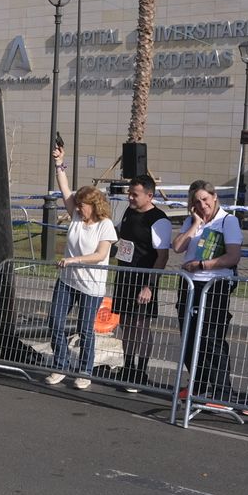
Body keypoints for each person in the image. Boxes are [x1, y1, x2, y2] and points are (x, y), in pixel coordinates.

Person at [43, 146, 117, 389]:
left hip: (91, 286)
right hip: (68, 281)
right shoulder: (75, 217)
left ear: (93, 205)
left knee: (85, 329)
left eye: (83, 204)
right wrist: (60, 163)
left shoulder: (105, 225)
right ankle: (61, 364)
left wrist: (74, 260)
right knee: (55, 320)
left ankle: (84, 370)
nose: (78, 207)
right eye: (77, 204)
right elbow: (64, 188)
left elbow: (100, 255)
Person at [172, 179, 242, 404]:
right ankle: (198, 384)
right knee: (189, 337)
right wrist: (195, 224)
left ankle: (222, 390)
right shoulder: (192, 221)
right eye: (196, 201)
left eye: (205, 199)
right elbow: (178, 247)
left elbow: (233, 256)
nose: (202, 204)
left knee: (212, 338)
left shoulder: (228, 222)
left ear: (214, 198)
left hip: (214, 285)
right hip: (190, 285)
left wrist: (202, 265)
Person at [110, 175, 171, 390]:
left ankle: (140, 371)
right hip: (125, 276)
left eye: (135, 194)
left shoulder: (158, 219)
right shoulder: (129, 212)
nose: (130, 197)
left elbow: (162, 256)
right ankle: (128, 366)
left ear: (149, 195)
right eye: (129, 193)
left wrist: (150, 286)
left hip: (143, 281)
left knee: (141, 325)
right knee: (126, 324)